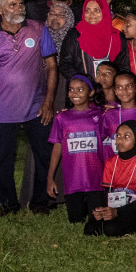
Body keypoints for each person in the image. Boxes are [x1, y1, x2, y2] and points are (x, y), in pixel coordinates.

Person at [0, 0, 58, 216]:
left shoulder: (38, 30)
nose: (19, 8)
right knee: (3, 160)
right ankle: (9, 204)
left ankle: (40, 201)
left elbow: (51, 66)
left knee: (44, 154)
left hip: (36, 107)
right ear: (0, 9)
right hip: (1, 110)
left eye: (21, 3)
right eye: (13, 4)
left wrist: (49, 102)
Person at [85, 120, 136, 237]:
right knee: (90, 229)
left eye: (126, 136)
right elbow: (106, 194)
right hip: (115, 205)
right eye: (118, 136)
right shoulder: (111, 162)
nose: (120, 140)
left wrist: (118, 212)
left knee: (111, 229)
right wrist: (102, 210)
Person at [47, 75, 105, 223]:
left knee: (97, 220)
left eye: (80, 89)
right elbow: (57, 146)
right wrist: (50, 177)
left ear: (90, 93)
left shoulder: (100, 114)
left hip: (96, 180)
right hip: (73, 180)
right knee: (75, 220)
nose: (75, 93)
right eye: (71, 90)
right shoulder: (62, 118)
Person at [61, 0, 125, 86]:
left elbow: (124, 66)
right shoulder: (75, 34)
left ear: (105, 11)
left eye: (97, 10)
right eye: (87, 10)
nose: (91, 14)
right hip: (83, 92)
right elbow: (65, 63)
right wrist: (83, 81)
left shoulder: (117, 36)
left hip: (111, 91)